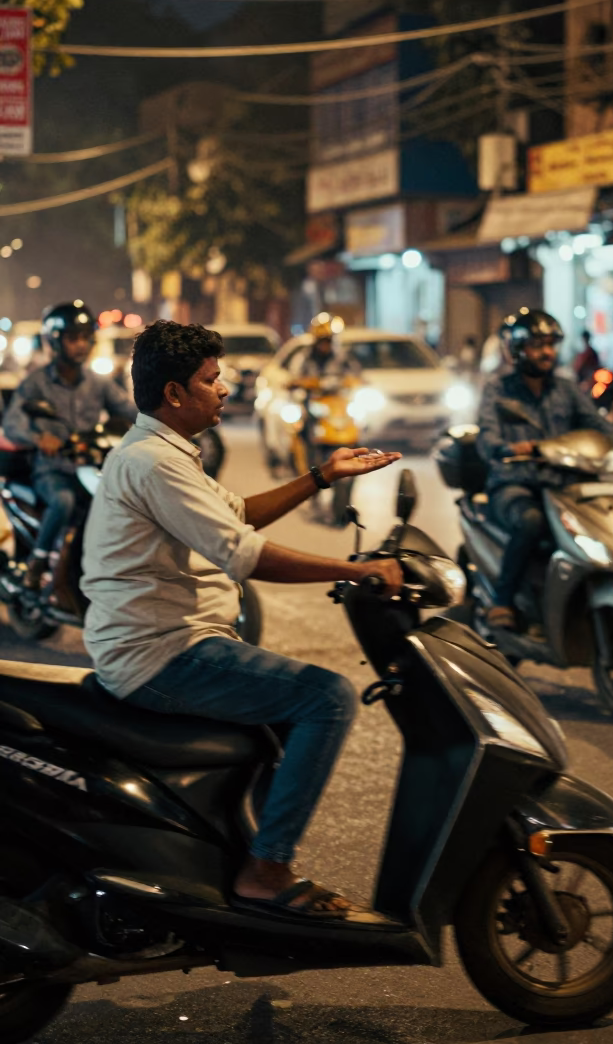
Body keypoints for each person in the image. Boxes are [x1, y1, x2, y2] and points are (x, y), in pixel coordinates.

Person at [81, 320, 403, 920]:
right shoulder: (153, 463)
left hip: (170, 642)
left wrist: (322, 475)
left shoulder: (166, 454)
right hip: (161, 654)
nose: (224, 388)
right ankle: (266, 869)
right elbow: (243, 554)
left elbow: (239, 516)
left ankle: (238, 848)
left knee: (285, 708)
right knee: (327, 698)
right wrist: (355, 571)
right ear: (175, 394)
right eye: (211, 379)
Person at [478, 309, 613, 630]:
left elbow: (596, 425)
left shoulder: (566, 389)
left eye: (551, 345)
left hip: (562, 484)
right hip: (515, 484)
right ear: (518, 350)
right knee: (531, 522)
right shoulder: (499, 389)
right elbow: (487, 435)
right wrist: (507, 448)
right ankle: (503, 600)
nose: (546, 352)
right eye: (537, 345)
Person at [3, 302, 137, 590]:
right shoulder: (36, 383)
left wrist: (165, 420)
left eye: (86, 338)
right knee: (63, 501)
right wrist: (39, 438)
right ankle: (37, 562)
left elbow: (129, 410)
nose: (81, 345)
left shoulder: (98, 383)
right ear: (54, 340)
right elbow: (13, 422)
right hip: (52, 470)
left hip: (91, 466)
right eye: (73, 338)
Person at [289, 312, 358, 381]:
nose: (324, 345)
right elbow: (295, 376)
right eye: (321, 341)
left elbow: (354, 375)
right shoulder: (304, 358)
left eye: (327, 341)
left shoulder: (341, 358)